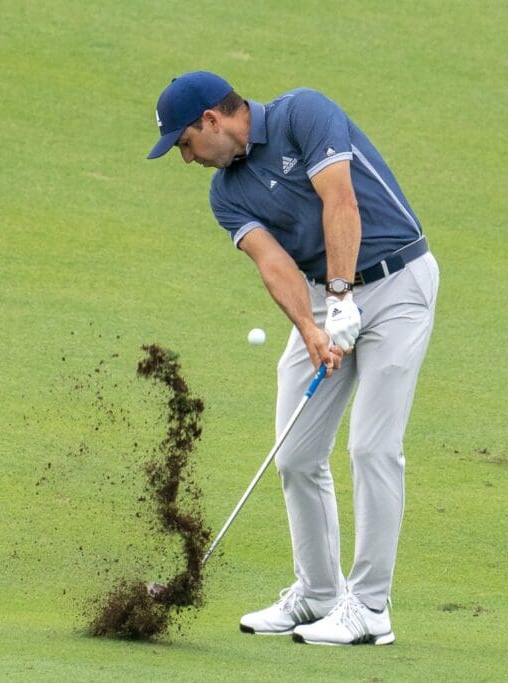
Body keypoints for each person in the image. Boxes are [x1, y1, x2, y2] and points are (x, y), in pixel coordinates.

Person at [147, 71, 439, 646]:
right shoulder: (224, 193)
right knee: (295, 453)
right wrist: (311, 325)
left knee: (372, 446)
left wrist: (340, 296)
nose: (187, 159)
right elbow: (272, 262)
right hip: (324, 299)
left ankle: (371, 608)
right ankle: (318, 594)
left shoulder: (303, 113)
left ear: (211, 119)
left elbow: (341, 198)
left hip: (396, 283)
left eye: (184, 144)